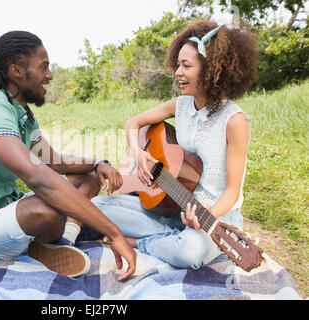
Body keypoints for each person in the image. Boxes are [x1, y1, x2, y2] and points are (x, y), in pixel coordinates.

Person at [0, 31, 136, 281]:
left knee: (88, 177)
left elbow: (55, 162)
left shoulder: (20, 113)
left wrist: (98, 163)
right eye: (44, 68)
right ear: (16, 71)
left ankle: (61, 243)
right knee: (46, 207)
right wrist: (113, 233)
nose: (49, 75)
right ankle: (40, 245)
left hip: (1, 212)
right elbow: (38, 176)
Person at [89, 20, 259, 269]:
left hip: (214, 215)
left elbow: (233, 190)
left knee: (189, 252)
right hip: (171, 206)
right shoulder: (179, 105)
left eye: (186, 65)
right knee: (97, 206)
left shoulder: (234, 122)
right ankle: (168, 236)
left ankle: (138, 243)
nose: (178, 72)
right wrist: (139, 155)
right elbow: (133, 123)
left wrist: (209, 214)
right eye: (178, 64)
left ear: (211, 69)